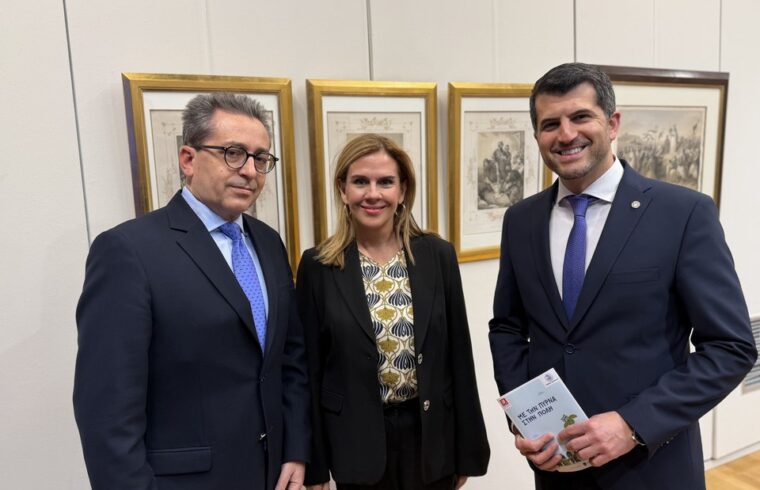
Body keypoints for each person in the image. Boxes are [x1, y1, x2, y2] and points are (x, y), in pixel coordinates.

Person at [488, 62, 757, 490]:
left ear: (612, 123)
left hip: (652, 467)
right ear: (537, 135)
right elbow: (507, 326)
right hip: (558, 469)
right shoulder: (521, 220)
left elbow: (731, 347)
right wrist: (524, 414)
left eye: (581, 117)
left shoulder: (683, 214)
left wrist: (633, 424)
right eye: (550, 124)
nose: (566, 134)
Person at [73, 93, 310, 490]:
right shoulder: (129, 251)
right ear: (188, 159)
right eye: (233, 153)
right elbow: (107, 407)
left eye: (260, 158)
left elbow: (290, 359)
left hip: (272, 475)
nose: (250, 171)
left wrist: (295, 450)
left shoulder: (269, 243)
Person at [297, 134, 490, 490]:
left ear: (402, 191)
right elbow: (310, 370)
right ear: (343, 190)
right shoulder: (318, 265)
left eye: (385, 182)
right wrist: (315, 465)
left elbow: (459, 358)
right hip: (355, 442)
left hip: (431, 439)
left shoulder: (437, 255)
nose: (373, 194)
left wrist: (468, 451)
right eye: (360, 182)